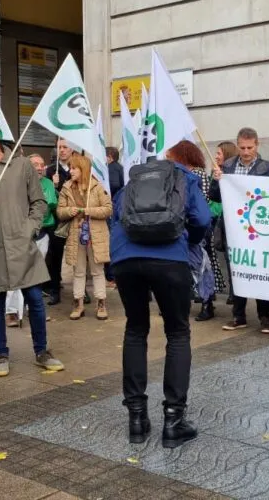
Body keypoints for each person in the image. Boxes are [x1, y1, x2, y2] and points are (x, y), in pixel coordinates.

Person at [111, 154, 211, 449]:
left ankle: (137, 419)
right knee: (178, 332)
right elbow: (202, 220)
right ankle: (173, 420)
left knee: (136, 329)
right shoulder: (186, 177)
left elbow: (116, 214)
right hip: (170, 258)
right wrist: (189, 239)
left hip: (127, 259)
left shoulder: (136, 177)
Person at [0, 124, 64, 377]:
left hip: (22, 244)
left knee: (35, 300)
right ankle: (1, 354)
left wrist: (29, 228)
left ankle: (42, 352)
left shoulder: (21, 165)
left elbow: (39, 202)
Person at [210, 128, 269, 330]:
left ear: (257, 145)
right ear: (237, 145)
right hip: (234, 228)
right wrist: (216, 180)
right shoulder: (227, 166)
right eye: (242, 147)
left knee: (261, 271)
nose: (246, 151)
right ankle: (239, 315)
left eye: (250, 147)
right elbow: (215, 196)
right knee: (236, 272)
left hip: (258, 228)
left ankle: (265, 316)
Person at [56, 154, 112, 320]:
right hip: (76, 234)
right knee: (78, 271)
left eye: (74, 168)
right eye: (70, 168)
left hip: (96, 234)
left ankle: (101, 303)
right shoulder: (66, 187)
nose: (70, 171)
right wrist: (68, 211)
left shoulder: (96, 186)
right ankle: (78, 303)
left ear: (83, 169)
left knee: (97, 270)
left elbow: (109, 209)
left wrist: (90, 211)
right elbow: (60, 211)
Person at [5, 153, 58, 327]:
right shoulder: (17, 183)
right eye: (35, 164)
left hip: (41, 234)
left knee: (35, 274)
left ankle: (33, 309)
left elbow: (48, 203)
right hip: (20, 235)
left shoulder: (48, 183)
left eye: (42, 164)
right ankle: (12, 311)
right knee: (16, 273)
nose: (40, 167)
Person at [167, 141, 217, 322]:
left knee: (203, 267)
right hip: (184, 228)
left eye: (170, 156)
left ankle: (207, 303)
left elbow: (201, 202)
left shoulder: (197, 174)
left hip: (197, 227)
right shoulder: (175, 174)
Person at [44, 138, 75, 305]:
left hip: (75, 217)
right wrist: (53, 185)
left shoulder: (78, 169)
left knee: (78, 255)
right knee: (55, 256)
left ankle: (81, 290)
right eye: (59, 147)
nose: (61, 150)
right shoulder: (50, 171)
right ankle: (54, 289)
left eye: (65, 147)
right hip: (57, 219)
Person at [104, 146, 124, 288]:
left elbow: (115, 183)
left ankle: (111, 276)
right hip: (118, 206)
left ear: (110, 157)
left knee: (109, 241)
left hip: (111, 206)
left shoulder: (112, 168)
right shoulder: (120, 167)